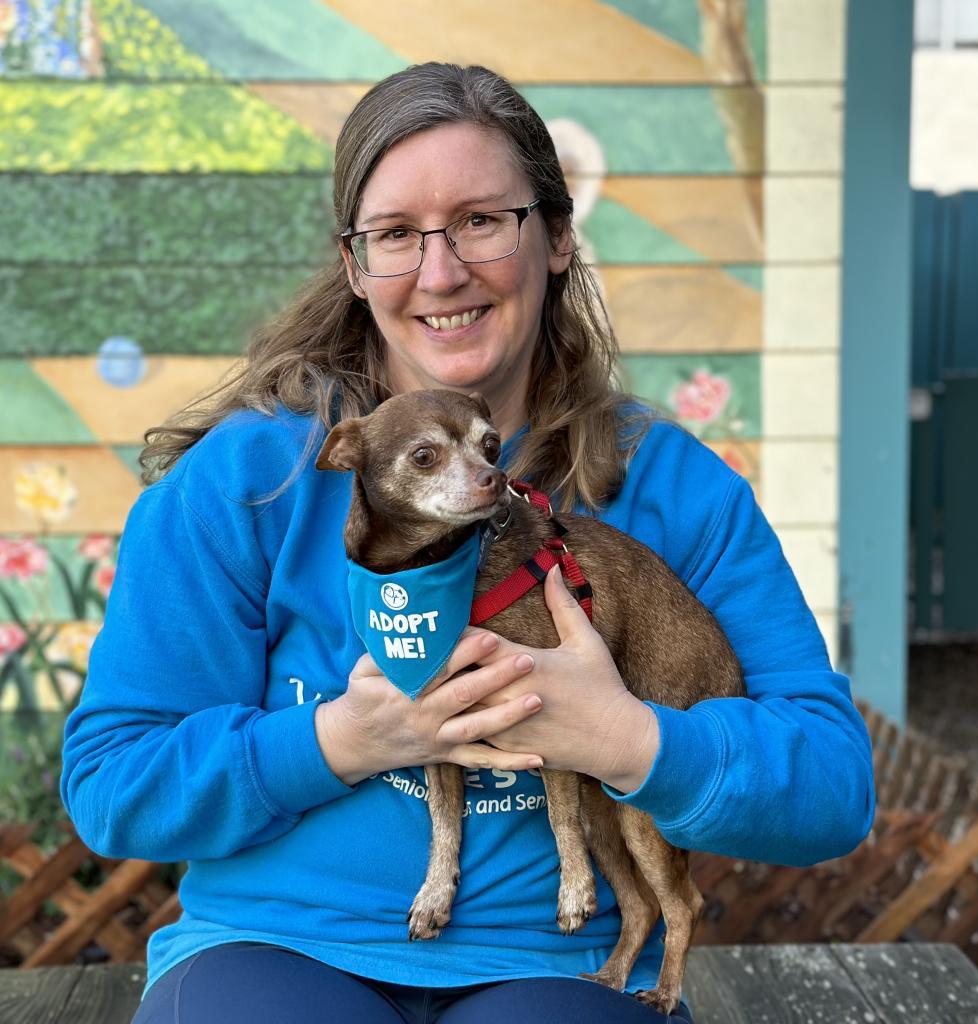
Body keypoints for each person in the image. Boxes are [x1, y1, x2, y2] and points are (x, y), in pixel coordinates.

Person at [60, 63, 875, 1024]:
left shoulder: (667, 486)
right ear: (356, 266)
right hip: (274, 948)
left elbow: (830, 787)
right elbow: (114, 783)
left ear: (560, 237)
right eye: (396, 235)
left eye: (483, 221)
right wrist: (338, 741)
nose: (441, 272)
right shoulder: (252, 482)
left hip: (558, 969)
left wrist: (626, 737)